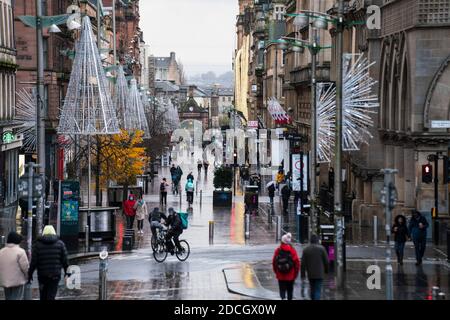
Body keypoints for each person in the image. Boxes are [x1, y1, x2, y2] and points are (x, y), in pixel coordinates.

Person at [28, 226, 69, 300]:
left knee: (43, 296)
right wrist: (67, 272)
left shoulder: (37, 245)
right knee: (51, 295)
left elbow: (33, 262)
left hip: (42, 276)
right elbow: (65, 260)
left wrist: (30, 274)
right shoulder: (60, 244)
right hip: (55, 275)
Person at [0, 232, 29, 300]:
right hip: (17, 281)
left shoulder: (1, 251)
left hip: (5, 280)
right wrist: (27, 276)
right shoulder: (20, 252)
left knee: (8, 298)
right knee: (17, 298)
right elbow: (25, 267)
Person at [272, 233, 300, 300]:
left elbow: (274, 262)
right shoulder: (292, 250)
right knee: (290, 292)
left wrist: (276, 272)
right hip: (290, 276)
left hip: (280, 275)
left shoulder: (278, 250)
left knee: (282, 291)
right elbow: (297, 263)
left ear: (281, 241)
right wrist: (295, 274)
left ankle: (283, 298)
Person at [301, 235, 329, 300]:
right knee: (318, 290)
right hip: (320, 274)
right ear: (317, 240)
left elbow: (303, 264)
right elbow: (326, 261)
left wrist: (303, 275)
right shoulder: (322, 248)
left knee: (312, 289)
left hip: (310, 274)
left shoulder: (306, 250)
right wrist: (326, 271)